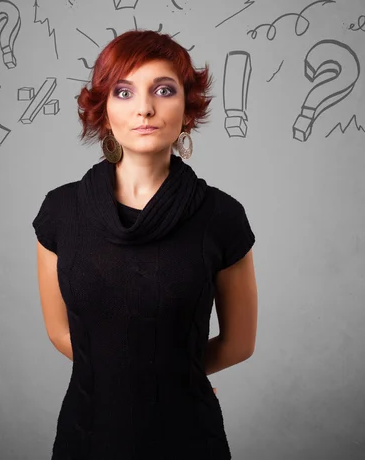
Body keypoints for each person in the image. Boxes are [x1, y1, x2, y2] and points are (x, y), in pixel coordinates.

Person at [32, 29, 257, 459]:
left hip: (188, 436)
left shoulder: (221, 216)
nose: (145, 108)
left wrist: (174, 376)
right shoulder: (61, 211)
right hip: (88, 433)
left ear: (188, 108)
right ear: (103, 110)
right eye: (124, 92)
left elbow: (239, 343)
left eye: (164, 90)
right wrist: (130, 381)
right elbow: (60, 330)